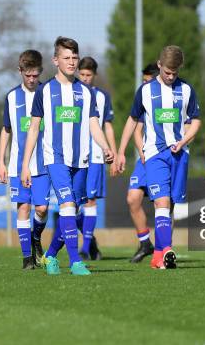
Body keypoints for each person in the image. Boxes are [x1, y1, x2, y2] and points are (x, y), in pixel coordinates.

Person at [20, 37, 114, 276]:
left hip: (82, 159)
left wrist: (105, 147)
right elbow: (33, 129)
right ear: (55, 60)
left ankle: (50, 255)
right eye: (67, 58)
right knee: (68, 205)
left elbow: (94, 125)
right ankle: (75, 261)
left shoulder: (85, 92)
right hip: (55, 158)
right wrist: (25, 165)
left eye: (74, 58)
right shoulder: (45, 91)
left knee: (73, 211)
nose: (72, 62)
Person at [117, 45, 201, 269]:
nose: (171, 77)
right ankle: (166, 251)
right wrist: (121, 151)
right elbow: (132, 120)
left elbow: (196, 120)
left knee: (170, 205)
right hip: (155, 154)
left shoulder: (186, 90)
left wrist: (184, 140)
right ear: (159, 65)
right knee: (161, 202)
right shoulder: (144, 91)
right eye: (167, 72)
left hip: (180, 155)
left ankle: (159, 255)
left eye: (175, 73)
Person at [0, 50, 50, 270]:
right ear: (20, 71)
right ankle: (27, 258)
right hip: (18, 165)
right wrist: (1, 160)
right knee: (23, 209)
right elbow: (7, 129)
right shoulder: (11, 97)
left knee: (42, 209)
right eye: (27, 75)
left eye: (35, 75)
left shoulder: (48, 93)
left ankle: (36, 237)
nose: (31, 79)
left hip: (44, 163)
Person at [77, 56, 118, 260]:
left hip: (94, 155)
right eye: (82, 74)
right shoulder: (70, 93)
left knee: (90, 200)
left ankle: (84, 248)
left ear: (94, 75)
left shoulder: (102, 97)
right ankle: (90, 241)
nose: (85, 78)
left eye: (88, 75)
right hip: (72, 156)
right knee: (73, 202)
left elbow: (107, 126)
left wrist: (114, 152)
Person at [128, 63, 160, 263]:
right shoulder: (144, 97)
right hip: (146, 158)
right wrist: (142, 152)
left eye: (147, 82)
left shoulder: (175, 97)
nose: (144, 86)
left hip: (167, 157)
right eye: (143, 82)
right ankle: (145, 243)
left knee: (165, 204)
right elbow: (136, 129)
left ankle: (165, 247)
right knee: (133, 198)